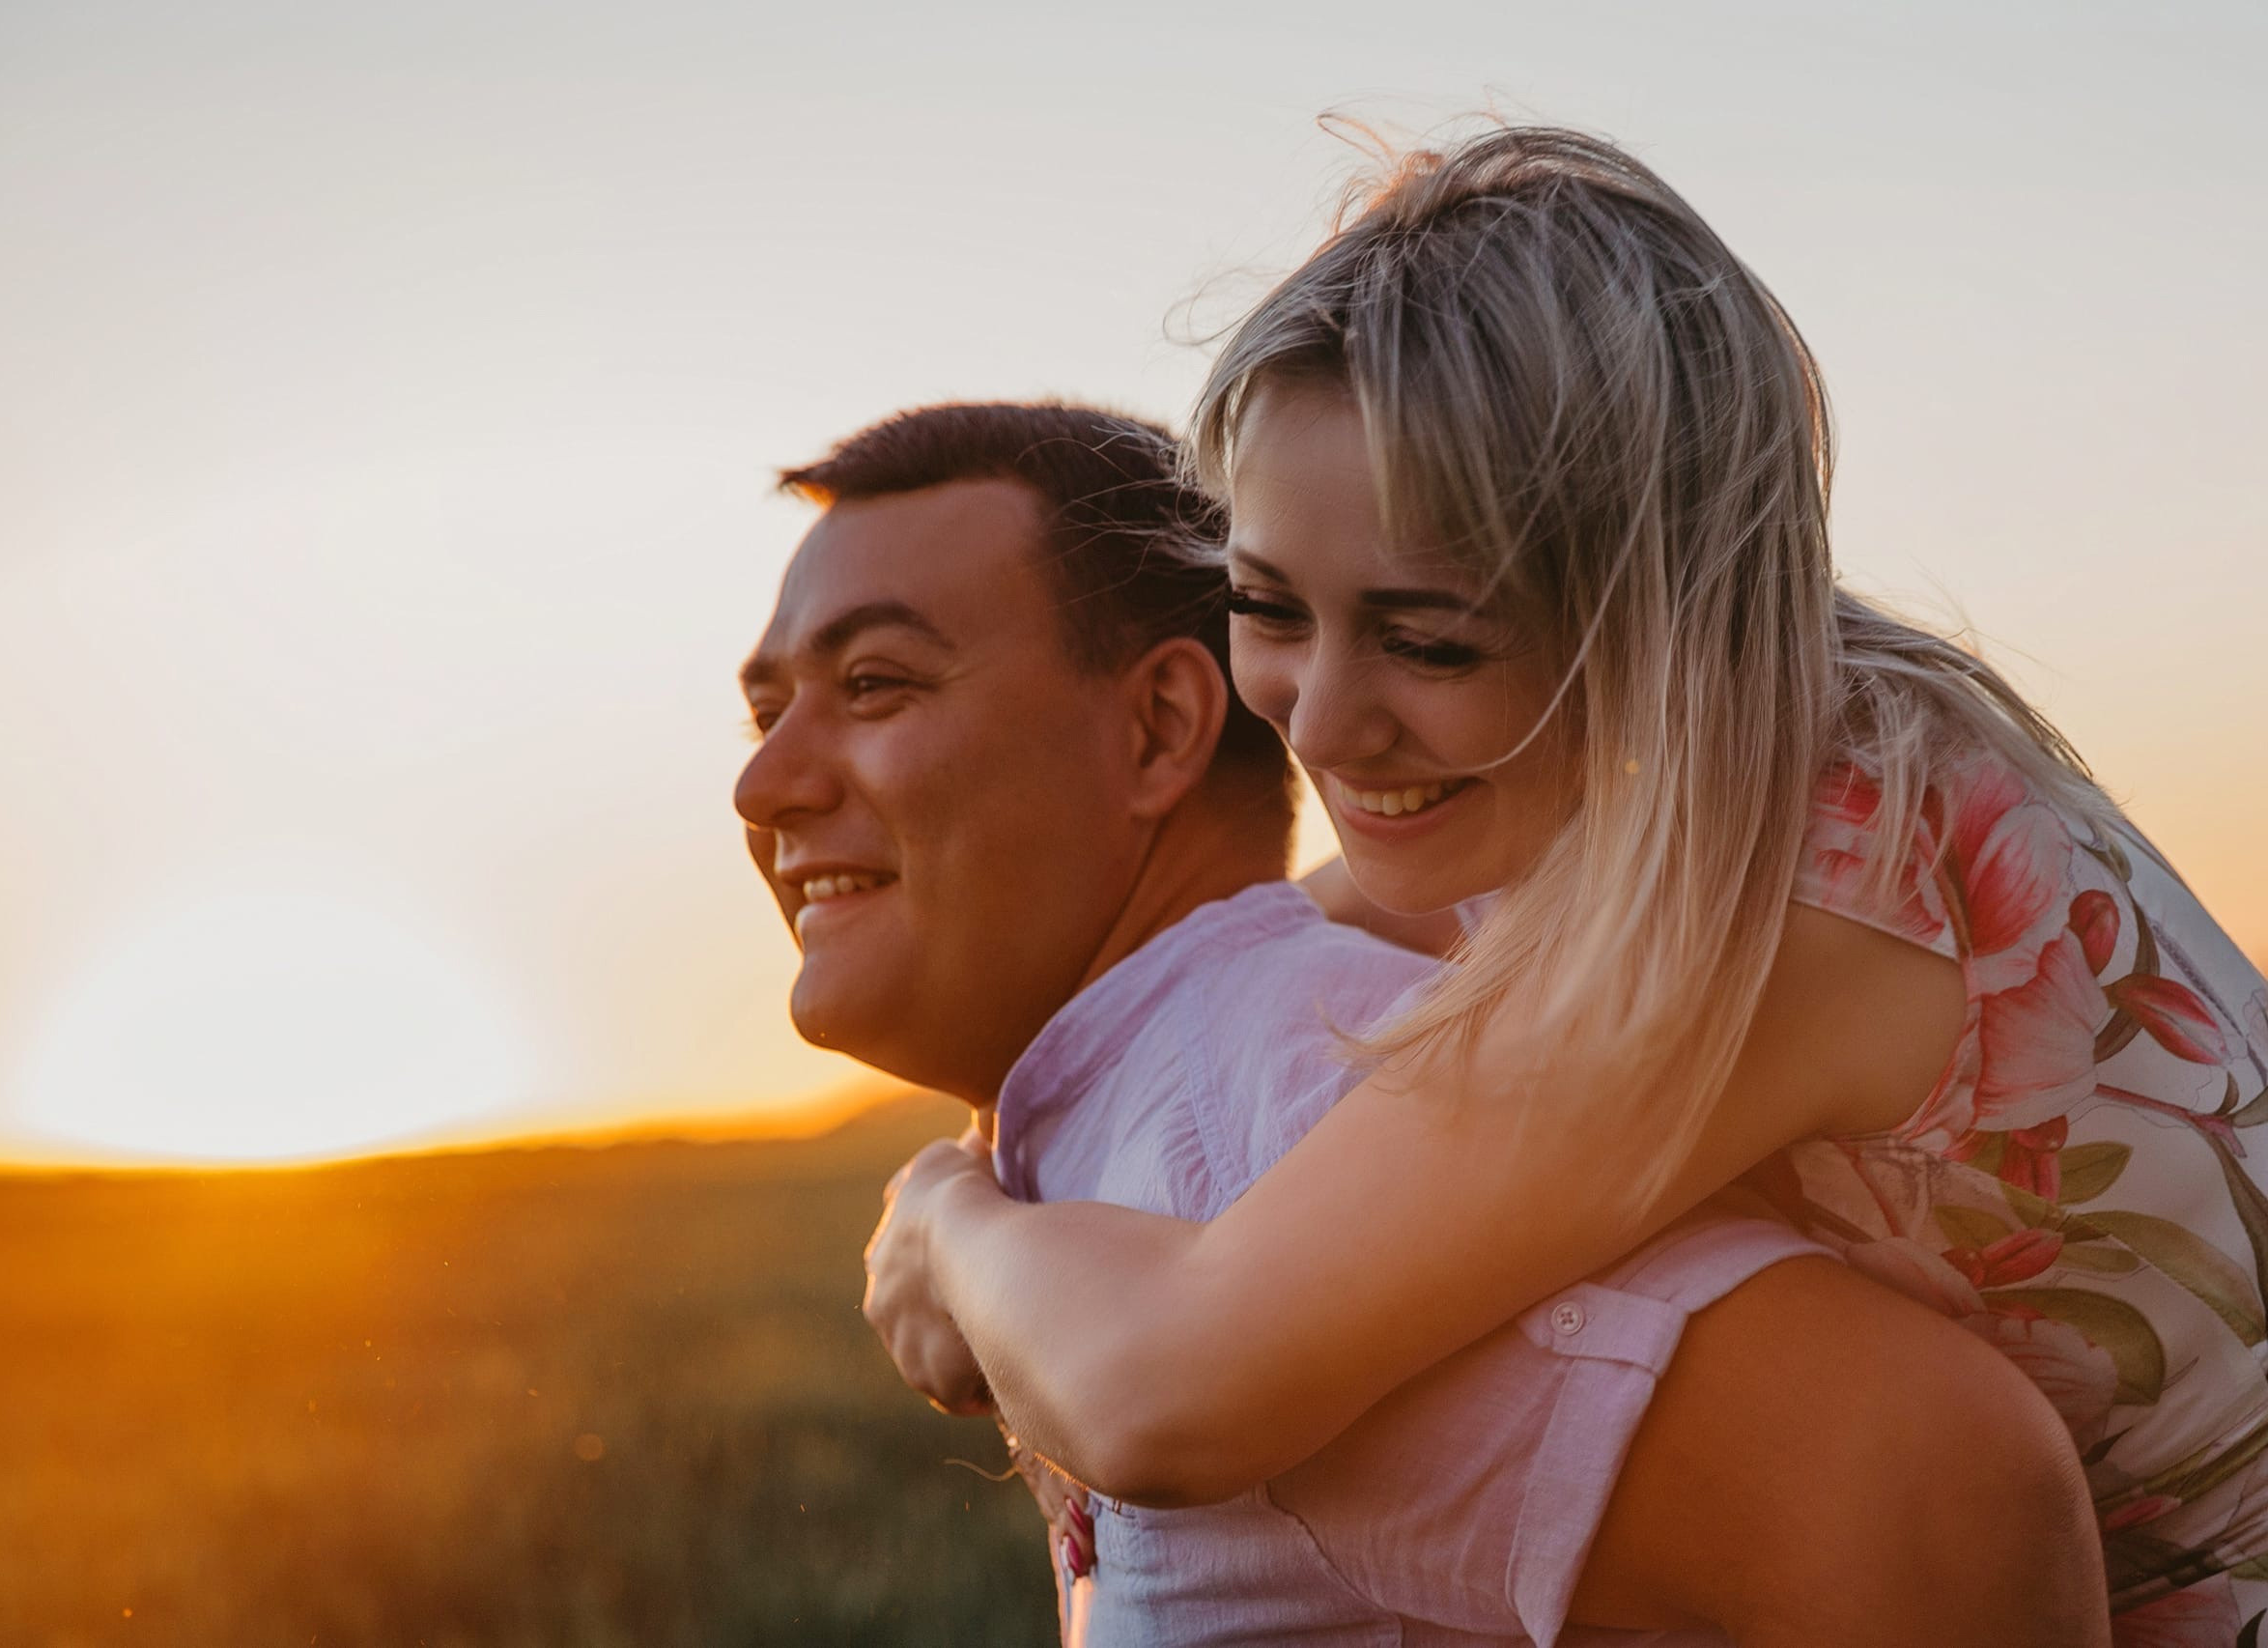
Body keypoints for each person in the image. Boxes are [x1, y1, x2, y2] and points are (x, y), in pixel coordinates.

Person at [859, 128, 2268, 1640]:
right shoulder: (1753, 722)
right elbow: (1326, 917)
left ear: (1647, 597)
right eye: (1267, 608)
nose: (1321, 723)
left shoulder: (1789, 893)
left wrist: (951, 1219)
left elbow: (1172, 1394)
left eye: (1429, 640)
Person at [738, 400, 2101, 1645]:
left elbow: (1933, 1491)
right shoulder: (1169, 1092)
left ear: (1160, 727)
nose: (765, 779)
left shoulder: (1274, 1097)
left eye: (876, 686)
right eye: (764, 705)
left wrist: (945, 1217)